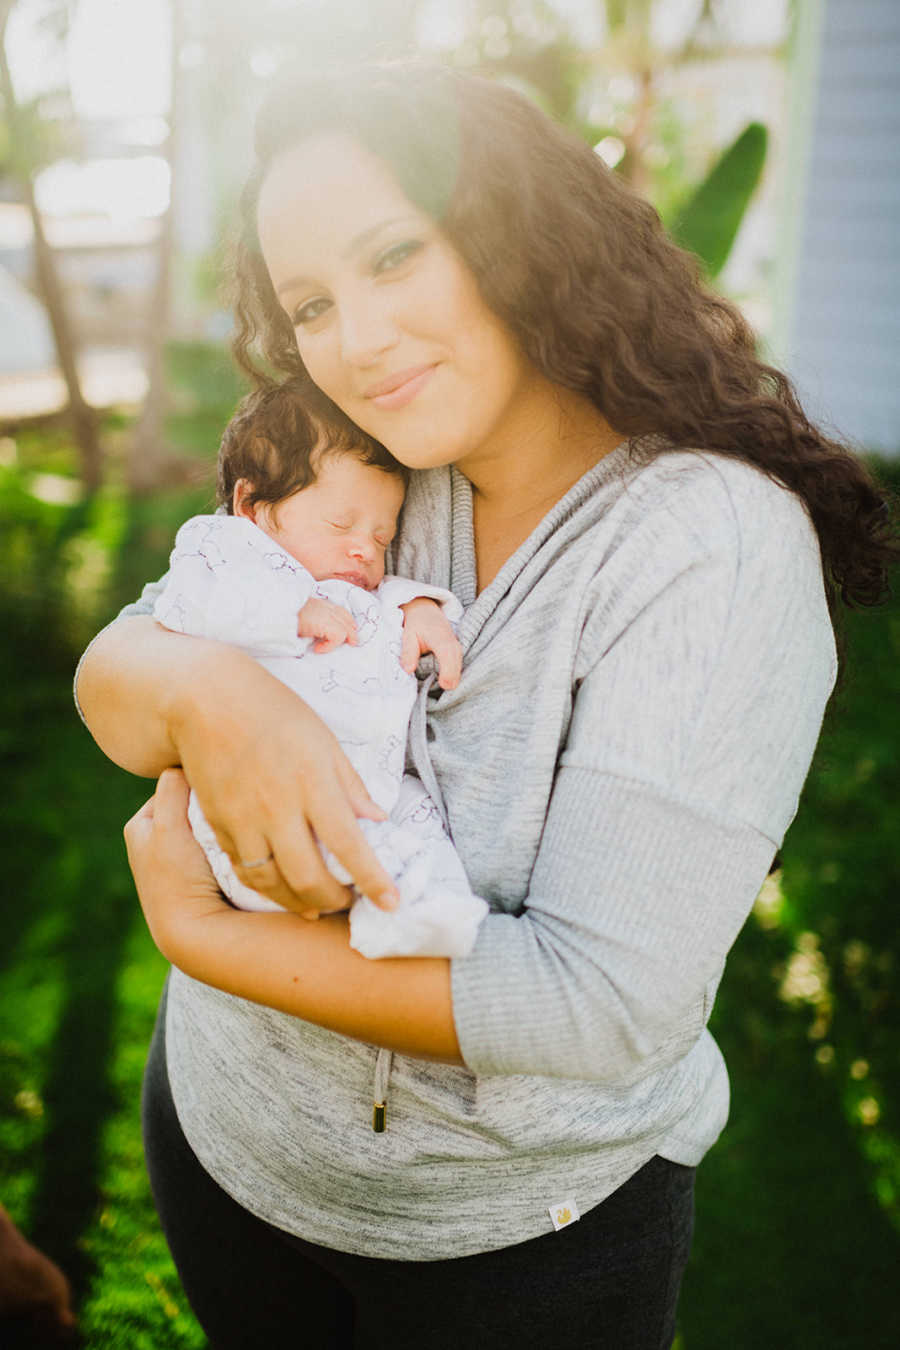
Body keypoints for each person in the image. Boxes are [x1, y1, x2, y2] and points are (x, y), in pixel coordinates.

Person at [75, 62, 897, 1349]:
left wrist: (202, 938)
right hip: (228, 1141)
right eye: (313, 303)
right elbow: (122, 677)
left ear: (519, 233)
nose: (355, 340)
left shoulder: (706, 549)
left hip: (513, 1245)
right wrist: (209, 684)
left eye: (396, 254)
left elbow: (596, 1005)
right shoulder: (372, 468)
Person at [154, 376, 487, 964]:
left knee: (422, 826)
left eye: (382, 535)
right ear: (251, 506)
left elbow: (376, 608)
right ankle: (375, 905)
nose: (366, 549)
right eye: (342, 525)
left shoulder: (351, 586)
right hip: (258, 797)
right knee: (327, 848)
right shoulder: (228, 554)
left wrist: (417, 606)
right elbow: (184, 604)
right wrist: (291, 611)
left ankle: (420, 916)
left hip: (370, 788)